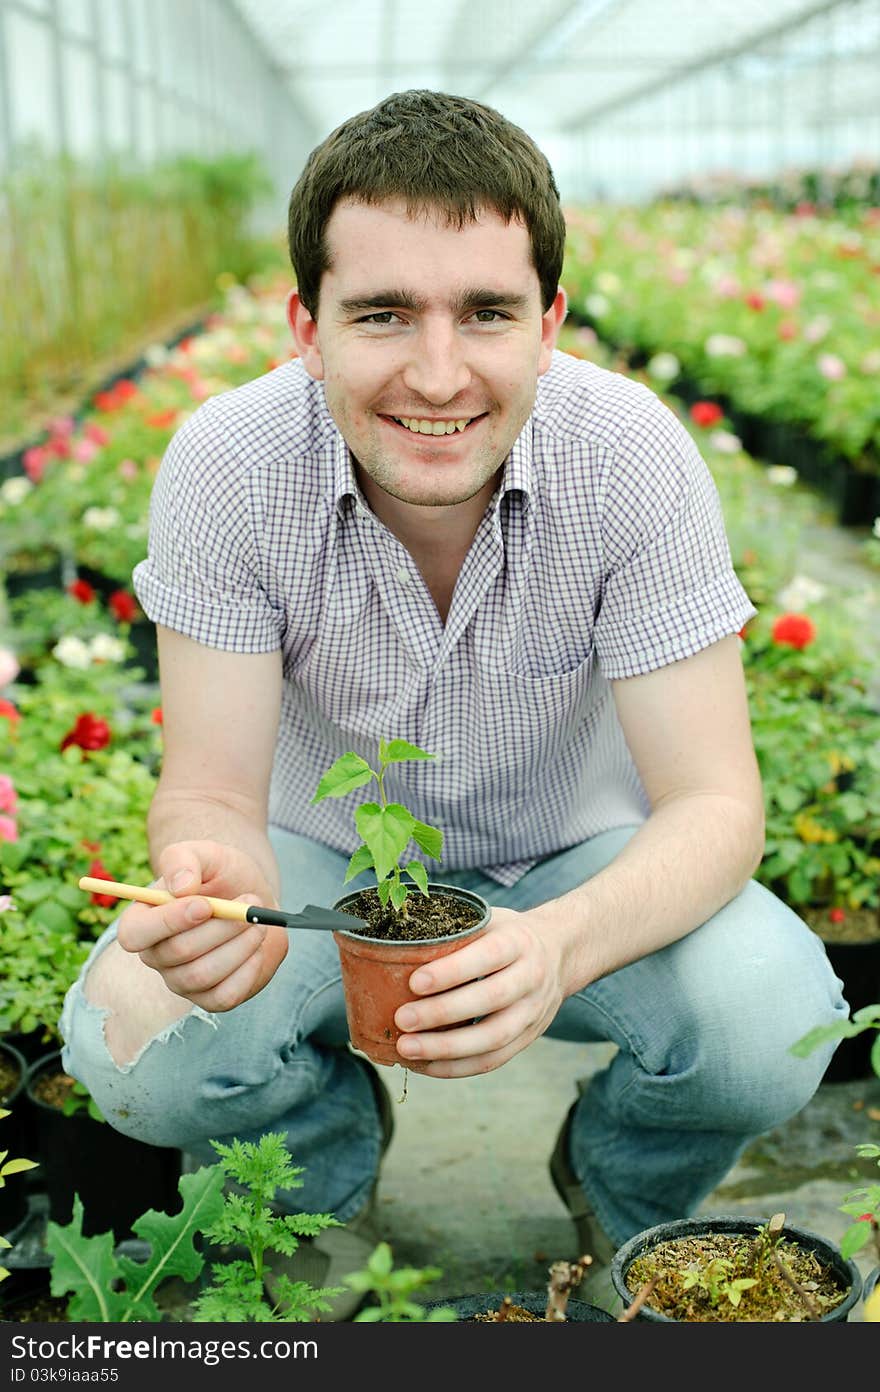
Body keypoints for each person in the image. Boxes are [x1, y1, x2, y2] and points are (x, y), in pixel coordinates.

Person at [60, 89, 846, 1317]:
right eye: (382, 313)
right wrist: (207, 872)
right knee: (134, 1042)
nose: (438, 375)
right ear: (305, 327)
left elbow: (713, 802)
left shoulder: (628, 456)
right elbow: (212, 787)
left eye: (486, 312)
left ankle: (620, 1184)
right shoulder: (227, 464)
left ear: (549, 324)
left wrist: (556, 945)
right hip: (317, 876)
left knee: (770, 1020)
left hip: (575, 857)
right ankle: (315, 1176)